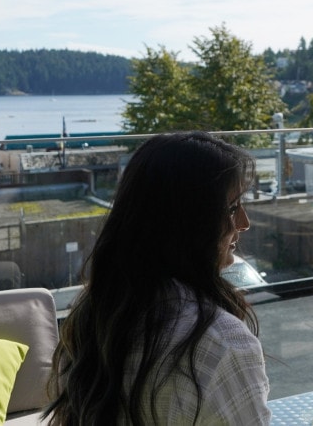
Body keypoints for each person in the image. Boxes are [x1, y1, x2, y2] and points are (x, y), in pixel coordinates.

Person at [45, 131, 271, 425]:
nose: (244, 223)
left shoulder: (94, 316)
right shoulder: (220, 343)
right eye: (231, 208)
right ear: (186, 223)